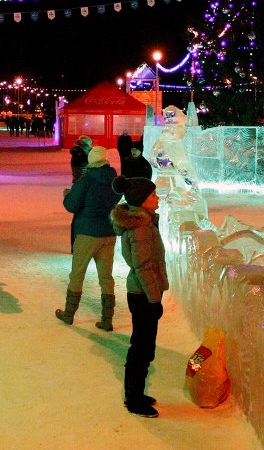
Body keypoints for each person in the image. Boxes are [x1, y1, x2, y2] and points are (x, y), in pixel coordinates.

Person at [111, 176, 168, 418]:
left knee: (144, 347)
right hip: (143, 294)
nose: (157, 198)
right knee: (141, 349)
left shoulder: (143, 223)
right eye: (153, 195)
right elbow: (143, 266)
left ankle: (136, 392)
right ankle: (133, 398)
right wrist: (154, 300)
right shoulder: (141, 228)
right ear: (142, 200)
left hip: (144, 293)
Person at [56, 145, 120, 330]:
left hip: (87, 233)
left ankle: (69, 314)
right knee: (106, 277)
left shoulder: (85, 181)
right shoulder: (114, 180)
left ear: (91, 161)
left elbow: (72, 206)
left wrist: (67, 194)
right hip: (108, 233)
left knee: (77, 274)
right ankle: (107, 320)